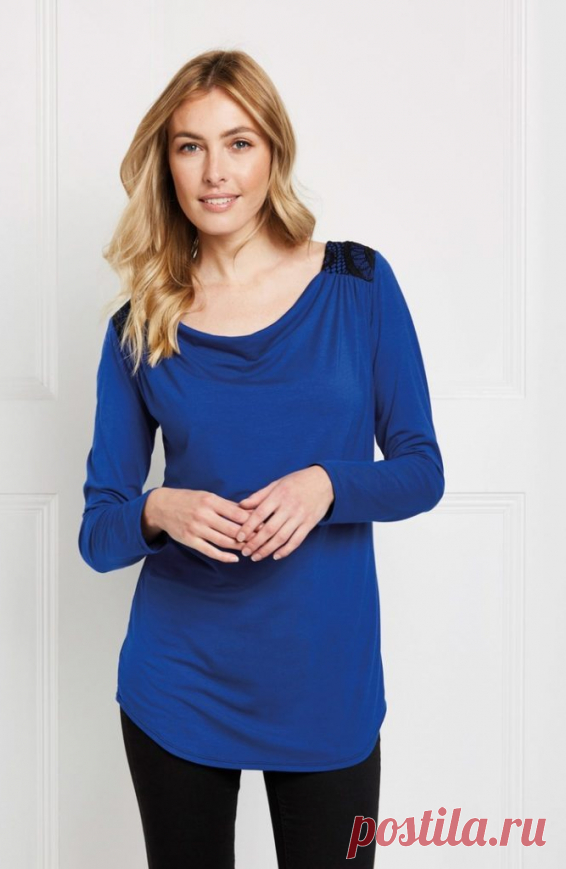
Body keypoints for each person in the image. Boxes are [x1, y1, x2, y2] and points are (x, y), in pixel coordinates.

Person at [78, 48, 445, 869]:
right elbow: (99, 532)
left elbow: (422, 470)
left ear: (273, 151)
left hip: (325, 679)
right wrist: (157, 509)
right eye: (191, 146)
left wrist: (327, 485)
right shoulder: (141, 323)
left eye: (238, 143)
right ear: (167, 163)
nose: (215, 172)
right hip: (180, 680)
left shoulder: (359, 284)